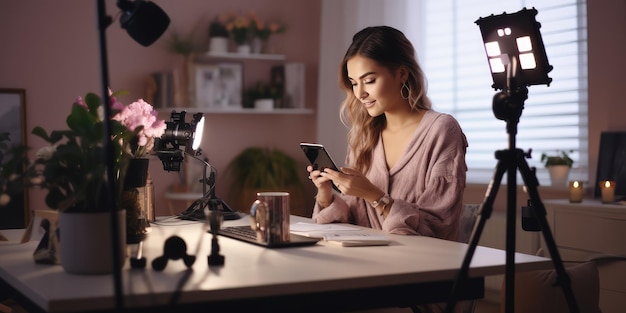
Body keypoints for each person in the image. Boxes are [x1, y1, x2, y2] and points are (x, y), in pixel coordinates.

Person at [307, 25, 468, 242]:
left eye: (370, 80)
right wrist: (326, 194)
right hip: (366, 264)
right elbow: (355, 218)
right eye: (354, 83)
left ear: (401, 74)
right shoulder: (364, 135)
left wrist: (374, 195)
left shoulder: (442, 130)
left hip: (420, 268)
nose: (360, 93)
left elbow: (438, 226)